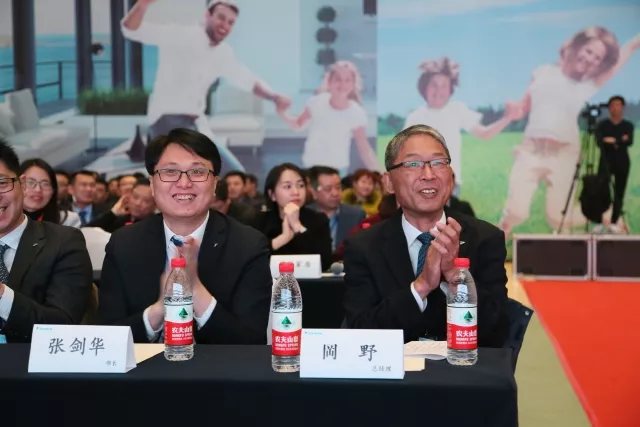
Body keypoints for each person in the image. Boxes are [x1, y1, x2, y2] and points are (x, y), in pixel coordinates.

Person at [98, 128, 272, 344]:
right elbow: (108, 337)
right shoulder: (124, 243)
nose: (183, 183)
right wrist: (158, 310)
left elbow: (250, 342)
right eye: (170, 172)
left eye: (197, 172)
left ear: (215, 183)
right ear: (152, 184)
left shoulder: (248, 245)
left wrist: (195, 289)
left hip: (216, 365)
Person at [342, 125, 509, 347]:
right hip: (396, 368)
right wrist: (421, 286)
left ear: (450, 176)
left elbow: (499, 329)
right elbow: (359, 333)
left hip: (463, 366)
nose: (429, 175)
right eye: (413, 164)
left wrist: (454, 276)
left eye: (438, 163)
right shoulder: (363, 246)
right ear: (388, 182)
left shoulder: (485, 238)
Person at [121, 0, 291, 172]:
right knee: (217, 175)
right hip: (168, 120)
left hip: (197, 124)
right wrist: (142, 5)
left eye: (231, 22)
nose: (225, 26)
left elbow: (246, 79)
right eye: (221, 18)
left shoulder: (223, 53)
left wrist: (274, 97)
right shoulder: (180, 35)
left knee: (235, 175)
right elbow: (131, 30)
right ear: (207, 15)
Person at [499, 28, 640, 235]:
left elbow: (624, 53)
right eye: (589, 51)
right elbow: (523, 108)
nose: (590, 59)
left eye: (597, 58)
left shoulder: (588, 84)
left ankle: (604, 214)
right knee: (515, 213)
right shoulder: (542, 72)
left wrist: (635, 42)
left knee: (558, 218)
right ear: (576, 46)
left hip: (564, 153)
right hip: (531, 150)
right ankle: (496, 239)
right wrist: (513, 110)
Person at [0, 139, 93, 343]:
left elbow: (63, 325)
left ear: (22, 184)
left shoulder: (63, 242)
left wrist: (2, 295)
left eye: (1, 183)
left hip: (26, 362)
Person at [404, 57, 522, 187]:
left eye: (444, 86)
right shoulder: (415, 117)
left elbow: (484, 134)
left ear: (450, 90)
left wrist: (507, 118)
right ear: (424, 87)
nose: (438, 90)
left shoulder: (457, 110)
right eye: (434, 85)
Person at [277, 60, 380, 174]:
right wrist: (282, 113)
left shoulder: (356, 113)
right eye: (338, 79)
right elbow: (298, 125)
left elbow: (364, 149)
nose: (342, 84)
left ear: (353, 84)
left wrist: (380, 174)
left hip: (337, 171)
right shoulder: (316, 102)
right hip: (311, 167)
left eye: (347, 80)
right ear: (329, 81)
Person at [251, 163, 333, 271]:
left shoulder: (318, 220)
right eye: (287, 186)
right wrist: (283, 238)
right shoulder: (258, 221)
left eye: (301, 185)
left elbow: (325, 263)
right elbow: (250, 261)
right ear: (272, 194)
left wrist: (297, 226)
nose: (296, 192)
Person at [593, 95, 634, 233]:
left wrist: (612, 140)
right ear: (609, 108)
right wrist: (620, 140)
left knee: (619, 191)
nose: (615, 108)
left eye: (618, 105)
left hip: (622, 161)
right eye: (612, 105)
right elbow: (599, 142)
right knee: (601, 190)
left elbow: (629, 141)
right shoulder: (602, 125)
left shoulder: (628, 125)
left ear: (623, 108)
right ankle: (599, 221)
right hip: (605, 161)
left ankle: (614, 222)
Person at [307, 166, 365, 254]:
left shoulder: (356, 215)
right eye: (328, 189)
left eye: (338, 187)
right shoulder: (305, 215)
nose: (335, 193)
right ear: (313, 192)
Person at [20, 159, 82, 228]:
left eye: (45, 184)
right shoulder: (9, 219)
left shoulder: (67, 220)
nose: (38, 189)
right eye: (30, 182)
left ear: (53, 190)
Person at [88, 178, 157, 233]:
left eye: (146, 200)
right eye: (135, 197)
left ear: (155, 205)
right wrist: (113, 213)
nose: (138, 203)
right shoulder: (118, 219)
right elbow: (87, 231)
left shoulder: (157, 226)